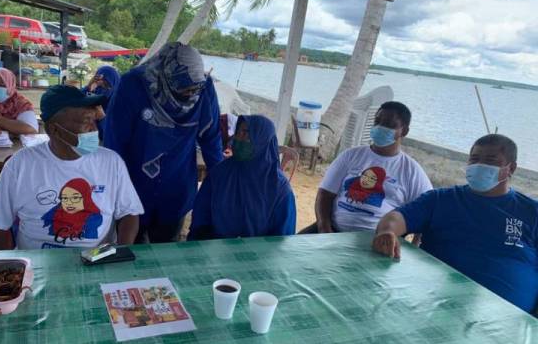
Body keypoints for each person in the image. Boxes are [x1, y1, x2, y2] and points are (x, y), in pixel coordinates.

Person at [372, 134, 538, 314]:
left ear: (510, 168)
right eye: (474, 159)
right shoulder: (440, 199)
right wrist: (387, 231)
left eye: (490, 160)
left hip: (510, 321)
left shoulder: (531, 212)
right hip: (435, 305)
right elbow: (397, 217)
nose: (480, 165)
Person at [0, 85, 143, 250]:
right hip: (38, 267)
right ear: (54, 130)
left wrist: (121, 252)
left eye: (94, 121)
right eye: (86, 122)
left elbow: (129, 213)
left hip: (97, 264)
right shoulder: (21, 165)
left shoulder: (111, 162)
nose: (94, 130)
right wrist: (7, 269)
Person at [105, 42, 223, 243]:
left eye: (195, 88)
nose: (190, 95)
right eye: (184, 88)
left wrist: (221, 181)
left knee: (168, 248)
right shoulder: (132, 85)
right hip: (134, 186)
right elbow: (115, 142)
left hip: (177, 186)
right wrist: (117, 188)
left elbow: (211, 138)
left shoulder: (204, 88)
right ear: (167, 75)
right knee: (132, 248)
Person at [303, 101, 432, 233]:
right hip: (333, 231)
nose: (380, 127)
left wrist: (415, 246)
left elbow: (428, 211)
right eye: (377, 122)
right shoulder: (350, 156)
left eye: (388, 124)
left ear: (404, 131)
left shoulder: (412, 171)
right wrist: (324, 226)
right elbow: (325, 194)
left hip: (377, 242)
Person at [189, 115, 296, 240]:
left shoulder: (280, 189)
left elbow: (282, 238)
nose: (238, 138)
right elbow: (201, 217)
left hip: (260, 256)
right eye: (238, 132)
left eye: (246, 134)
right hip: (215, 250)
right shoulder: (219, 174)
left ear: (262, 141)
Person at [82, 65, 121, 139]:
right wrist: (88, 87)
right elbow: (75, 99)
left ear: (115, 85)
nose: (102, 89)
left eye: (106, 85)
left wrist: (102, 118)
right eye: (99, 84)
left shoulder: (119, 105)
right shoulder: (91, 93)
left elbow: (113, 137)